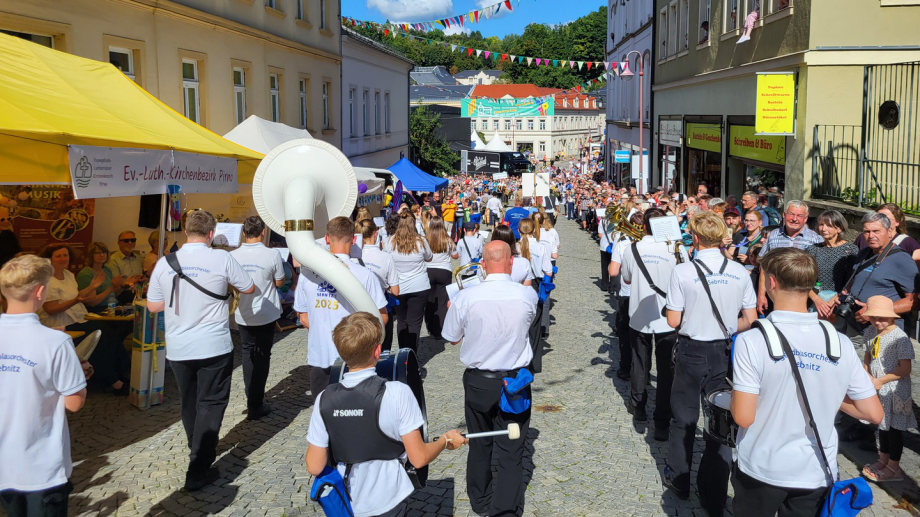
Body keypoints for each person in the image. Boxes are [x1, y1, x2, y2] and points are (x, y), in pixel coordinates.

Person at [730, 248, 883, 516]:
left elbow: (743, 417)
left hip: (762, 465)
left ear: (772, 282)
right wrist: (828, 395)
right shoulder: (839, 342)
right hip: (815, 470)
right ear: (811, 285)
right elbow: (873, 413)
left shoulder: (751, 340)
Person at [305, 312, 466, 517]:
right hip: (390, 499)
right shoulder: (397, 392)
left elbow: (314, 465)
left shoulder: (323, 399)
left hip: (348, 501)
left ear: (341, 353)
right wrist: (445, 440)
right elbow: (419, 458)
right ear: (377, 350)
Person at [147, 209, 256, 490]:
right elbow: (249, 288)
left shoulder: (165, 262)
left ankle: (195, 446)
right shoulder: (221, 257)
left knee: (190, 401)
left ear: (186, 232)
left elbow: (153, 306)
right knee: (211, 403)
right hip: (214, 345)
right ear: (210, 234)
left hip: (179, 347)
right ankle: (198, 467)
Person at [661, 212, 757, 514]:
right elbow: (751, 320)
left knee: (684, 416)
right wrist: (727, 326)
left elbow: (673, 319)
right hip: (722, 351)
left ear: (697, 237)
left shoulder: (683, 271)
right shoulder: (740, 271)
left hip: (691, 350)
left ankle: (679, 476)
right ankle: (713, 492)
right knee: (720, 421)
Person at [442, 241, 538, 517]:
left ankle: (480, 501)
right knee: (512, 450)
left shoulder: (466, 297)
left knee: (479, 441)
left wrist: (454, 306)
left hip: (479, 381)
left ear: (483, 265)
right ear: (510, 263)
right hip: (515, 382)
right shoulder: (526, 295)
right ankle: (505, 510)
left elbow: (451, 339)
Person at [0, 255, 91, 517]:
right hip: (41, 465)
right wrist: (80, 373)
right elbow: (74, 403)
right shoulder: (55, 342)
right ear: (40, 291)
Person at [295, 216, 388, 398]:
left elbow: (303, 317)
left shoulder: (307, 274)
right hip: (355, 358)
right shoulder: (365, 275)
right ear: (354, 239)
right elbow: (382, 317)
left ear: (327, 238)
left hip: (319, 355)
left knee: (323, 412)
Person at [620, 208, 688, 434]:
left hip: (640, 315)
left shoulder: (633, 247)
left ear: (645, 226)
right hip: (669, 316)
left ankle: (638, 406)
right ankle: (662, 421)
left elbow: (627, 279)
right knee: (667, 370)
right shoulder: (677, 249)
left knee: (640, 364)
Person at [37, 244, 129, 395]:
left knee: (109, 332)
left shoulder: (68, 275)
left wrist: (92, 287)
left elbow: (77, 296)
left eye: (65, 255)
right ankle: (114, 381)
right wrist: (76, 300)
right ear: (49, 259)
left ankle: (120, 372)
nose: (63, 259)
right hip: (59, 325)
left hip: (77, 319)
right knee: (98, 337)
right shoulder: (47, 280)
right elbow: (51, 310)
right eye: (58, 256)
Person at [230, 216, 285, 420]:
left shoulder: (233, 255)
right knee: (263, 356)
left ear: (244, 233)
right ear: (263, 232)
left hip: (243, 312)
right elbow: (279, 283)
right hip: (266, 312)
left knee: (247, 353)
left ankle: (251, 395)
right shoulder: (272, 254)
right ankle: (256, 401)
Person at [859, 296, 916, 483]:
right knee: (882, 425)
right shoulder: (870, 331)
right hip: (878, 387)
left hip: (895, 390)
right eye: (874, 317)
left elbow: (905, 369)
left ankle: (894, 466)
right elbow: (868, 356)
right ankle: (883, 459)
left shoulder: (899, 338)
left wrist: (881, 380)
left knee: (894, 429)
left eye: (882, 318)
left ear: (892, 317)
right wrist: (867, 374)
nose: (877, 321)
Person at [843, 212, 919, 334]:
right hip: (855, 326)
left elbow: (914, 301)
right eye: (866, 232)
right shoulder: (864, 253)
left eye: (876, 231)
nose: (871, 236)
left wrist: (876, 311)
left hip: (884, 331)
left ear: (889, 232)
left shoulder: (902, 259)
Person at [756, 201, 823, 314]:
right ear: (784, 215)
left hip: (802, 298)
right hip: (775, 295)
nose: (794, 219)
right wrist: (761, 295)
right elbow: (764, 266)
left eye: (799, 216)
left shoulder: (815, 239)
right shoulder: (774, 235)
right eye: (791, 214)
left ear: (805, 218)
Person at [386, 214, 433, 354]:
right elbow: (429, 258)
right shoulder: (421, 241)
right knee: (415, 322)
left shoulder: (390, 241)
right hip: (419, 286)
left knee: (401, 320)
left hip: (398, 287)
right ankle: (411, 354)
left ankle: (402, 352)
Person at [609, 213, 644, 380]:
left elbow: (613, 272)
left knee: (624, 333)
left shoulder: (622, 245)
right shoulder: (654, 245)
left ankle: (625, 368)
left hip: (627, 293)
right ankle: (642, 369)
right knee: (642, 335)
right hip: (646, 295)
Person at [805, 210, 859, 320]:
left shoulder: (850, 251)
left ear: (839, 228)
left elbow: (852, 280)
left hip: (839, 303)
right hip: (815, 303)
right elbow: (804, 279)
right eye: (821, 225)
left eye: (829, 226)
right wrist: (817, 300)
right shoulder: (813, 250)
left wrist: (834, 300)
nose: (823, 229)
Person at [358, 219, 400, 352]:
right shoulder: (386, 257)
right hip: (380, 306)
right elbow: (395, 291)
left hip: (358, 305)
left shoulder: (354, 257)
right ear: (375, 234)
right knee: (383, 346)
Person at [424, 216, 458, 339]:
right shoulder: (447, 240)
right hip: (444, 271)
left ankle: (430, 327)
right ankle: (440, 329)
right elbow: (455, 255)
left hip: (428, 271)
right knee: (442, 302)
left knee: (430, 300)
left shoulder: (425, 240)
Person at [76, 241, 135, 311]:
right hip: (98, 310)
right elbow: (92, 303)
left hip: (113, 306)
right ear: (91, 255)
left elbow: (112, 294)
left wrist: (122, 287)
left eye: (104, 252)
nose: (102, 255)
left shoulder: (106, 269)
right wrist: (111, 287)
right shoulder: (86, 274)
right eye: (98, 253)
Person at [853, 203, 920, 256]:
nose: (881, 222)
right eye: (878, 218)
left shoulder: (909, 243)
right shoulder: (863, 237)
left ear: (897, 222)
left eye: (886, 219)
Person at [107, 230, 145, 304]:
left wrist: (143, 278)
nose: (130, 243)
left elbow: (141, 277)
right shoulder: (112, 260)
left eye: (133, 240)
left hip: (139, 292)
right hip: (123, 295)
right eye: (126, 241)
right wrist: (128, 282)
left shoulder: (138, 258)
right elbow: (115, 285)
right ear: (119, 243)